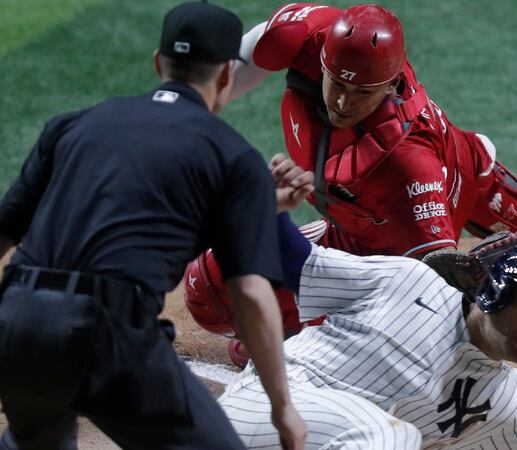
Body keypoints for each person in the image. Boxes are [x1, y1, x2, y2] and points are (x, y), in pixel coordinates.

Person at [193, 3, 517, 366]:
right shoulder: (313, 35)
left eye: (362, 93)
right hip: (357, 224)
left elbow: (435, 277)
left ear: (390, 87)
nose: (342, 103)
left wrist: (472, 290)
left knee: (405, 335)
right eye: (337, 83)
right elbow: (241, 63)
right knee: (208, 288)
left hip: (408, 228)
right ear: (323, 59)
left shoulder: (408, 163)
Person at [0, 2, 308, 448]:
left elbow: (6, 231)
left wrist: (259, 208)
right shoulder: (231, 154)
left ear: (159, 63)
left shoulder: (71, 125)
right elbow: (251, 292)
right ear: (226, 75)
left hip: (19, 323)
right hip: (110, 336)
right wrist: (283, 409)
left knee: (34, 441)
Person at [218, 211, 517, 449]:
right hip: (263, 408)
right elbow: (299, 263)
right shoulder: (408, 281)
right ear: (495, 289)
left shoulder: (510, 401)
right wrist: (267, 202)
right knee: (391, 436)